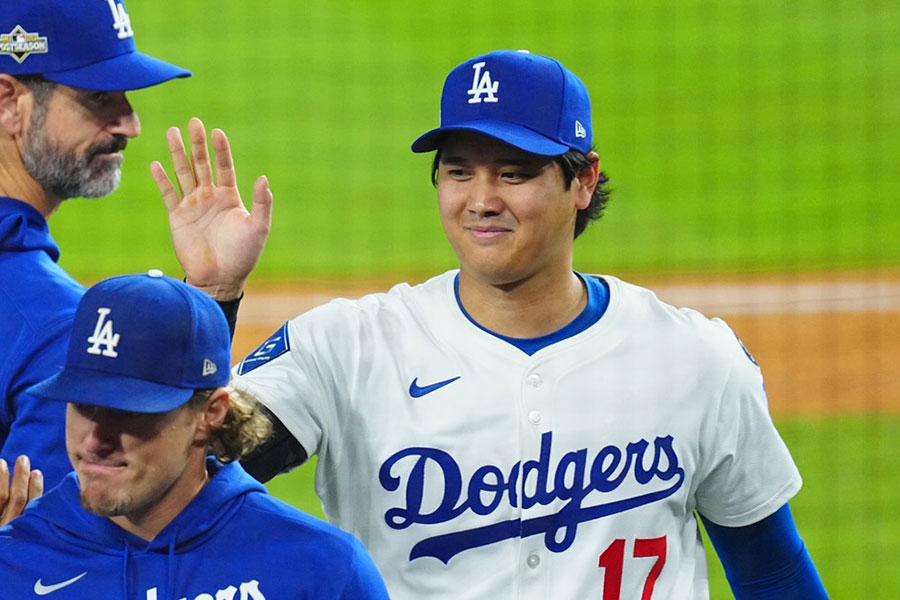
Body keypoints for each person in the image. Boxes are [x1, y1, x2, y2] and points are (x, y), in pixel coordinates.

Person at [162, 50, 828, 598]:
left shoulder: (693, 359)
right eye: (459, 172)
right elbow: (192, 458)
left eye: (514, 173)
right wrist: (213, 298)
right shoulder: (348, 347)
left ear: (584, 180)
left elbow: (769, 569)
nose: (481, 200)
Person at [0, 0, 272, 492]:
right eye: (99, 96)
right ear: (8, 101)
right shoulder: (57, 329)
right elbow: (72, 546)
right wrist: (213, 299)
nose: (130, 124)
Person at [0, 272, 390, 600]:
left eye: (130, 412)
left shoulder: (320, 571)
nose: (95, 441)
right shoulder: (13, 561)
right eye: (82, 405)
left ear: (211, 414)